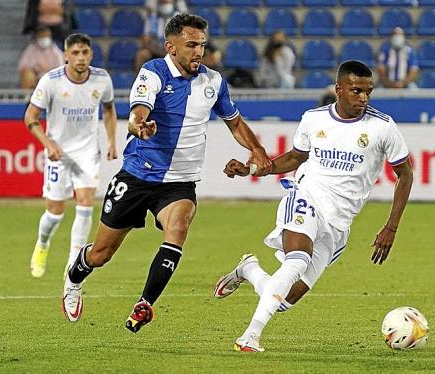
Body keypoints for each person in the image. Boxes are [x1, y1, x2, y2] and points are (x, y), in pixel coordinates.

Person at [61, 14, 273, 333]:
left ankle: (145, 304)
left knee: (179, 226)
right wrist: (138, 126)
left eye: (201, 44)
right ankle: (74, 279)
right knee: (101, 254)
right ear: (171, 47)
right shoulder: (154, 72)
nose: (198, 51)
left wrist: (256, 149)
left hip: (179, 182)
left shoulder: (213, 82)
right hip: (137, 177)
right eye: (191, 45)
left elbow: (235, 121)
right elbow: (137, 113)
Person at [213, 60, 414, 352]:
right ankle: (250, 336)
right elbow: (295, 158)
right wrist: (253, 170)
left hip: (339, 223)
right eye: (356, 91)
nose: (364, 98)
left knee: (284, 300)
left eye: (368, 92)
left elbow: (405, 174)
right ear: (339, 90)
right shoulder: (314, 119)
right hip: (305, 198)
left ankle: (250, 270)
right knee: (297, 261)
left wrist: (391, 227)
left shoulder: (383, 127)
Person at [25, 33, 118, 279]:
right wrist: (48, 145)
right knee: (55, 213)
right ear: (65, 55)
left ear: (91, 54)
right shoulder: (51, 81)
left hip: (87, 152)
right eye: (75, 53)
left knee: (86, 203)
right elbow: (30, 118)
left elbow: (109, 109)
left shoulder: (101, 79)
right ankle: (42, 244)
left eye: (84, 52)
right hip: (59, 154)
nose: (80, 57)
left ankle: (72, 262)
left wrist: (111, 140)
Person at [134, 0, 181, 72]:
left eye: (167, 3)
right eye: (163, 2)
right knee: (142, 55)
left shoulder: (179, 18)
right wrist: (157, 51)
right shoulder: (152, 18)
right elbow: (145, 40)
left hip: (173, 51)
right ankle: (140, 81)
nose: (165, 4)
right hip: (154, 51)